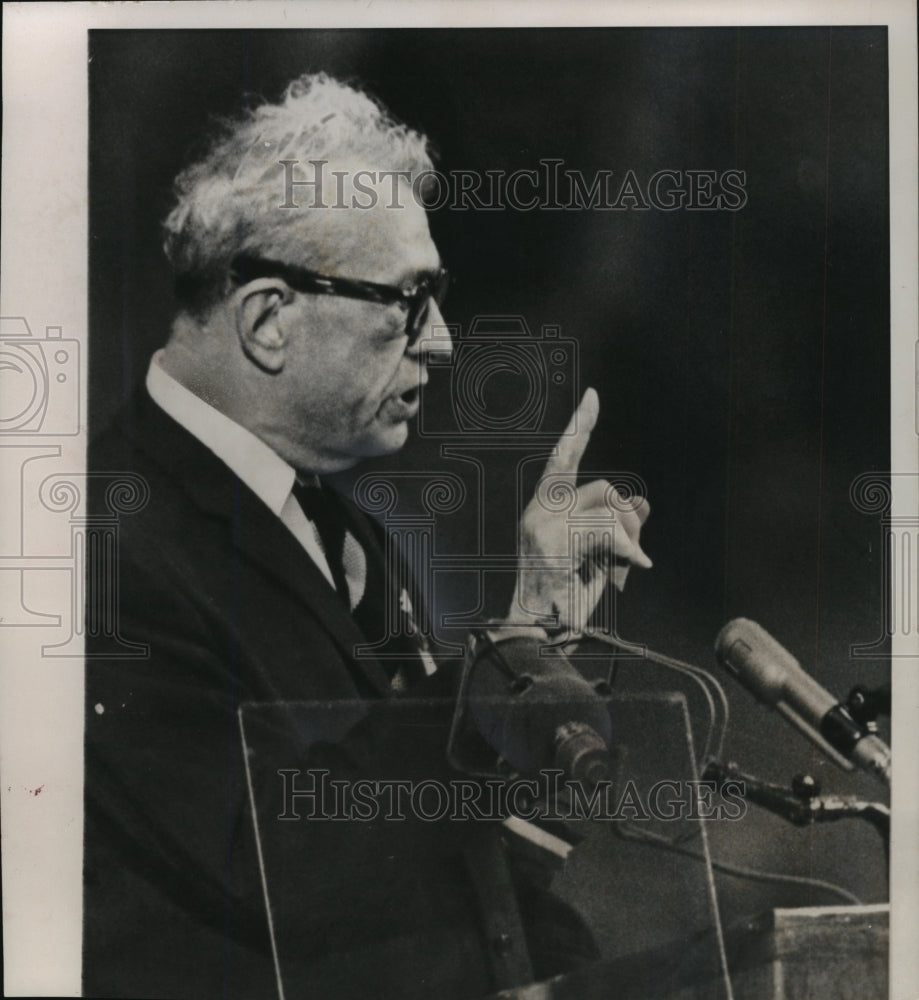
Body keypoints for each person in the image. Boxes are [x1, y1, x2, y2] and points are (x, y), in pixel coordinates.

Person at [83, 72, 652, 1000]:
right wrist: (498, 669)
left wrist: (533, 643)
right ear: (269, 319)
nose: (441, 344)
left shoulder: (340, 528)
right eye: (407, 301)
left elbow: (433, 862)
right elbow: (271, 860)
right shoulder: (100, 546)